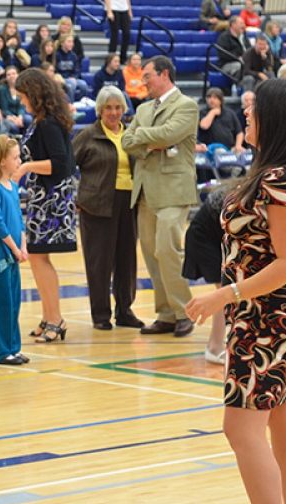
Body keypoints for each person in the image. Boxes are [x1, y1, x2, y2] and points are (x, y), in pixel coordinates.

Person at [185, 77, 286, 504]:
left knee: (241, 429)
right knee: (283, 418)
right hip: (284, 308)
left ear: (276, 118)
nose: (246, 112)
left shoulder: (278, 179)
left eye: (255, 107)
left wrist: (224, 294)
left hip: (266, 313)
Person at [122, 55, 198, 338]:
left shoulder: (186, 105)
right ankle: (166, 315)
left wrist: (145, 135)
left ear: (164, 74)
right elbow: (127, 142)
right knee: (152, 256)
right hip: (145, 191)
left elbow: (169, 134)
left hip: (173, 190)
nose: (144, 82)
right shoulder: (143, 108)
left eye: (147, 76)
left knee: (168, 250)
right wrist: (149, 144)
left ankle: (184, 312)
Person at [11, 69, 77, 343]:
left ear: (34, 93)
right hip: (41, 198)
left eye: (23, 95)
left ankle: (56, 318)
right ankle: (49, 316)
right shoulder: (42, 120)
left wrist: (26, 166)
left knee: (40, 257)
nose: (21, 100)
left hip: (52, 200)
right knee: (37, 258)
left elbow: (61, 163)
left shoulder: (49, 123)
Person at [73, 86, 144, 332]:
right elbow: (68, 165)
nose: (114, 113)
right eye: (108, 108)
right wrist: (78, 195)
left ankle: (125, 311)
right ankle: (101, 314)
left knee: (127, 260)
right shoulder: (87, 135)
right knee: (99, 262)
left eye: (118, 108)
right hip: (96, 205)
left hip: (128, 203)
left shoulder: (131, 134)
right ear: (99, 110)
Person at [0, 134, 29, 365]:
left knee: (14, 303)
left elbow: (19, 220)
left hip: (14, 254)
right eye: (15, 157)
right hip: (1, 256)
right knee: (1, 304)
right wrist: (14, 248)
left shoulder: (13, 186)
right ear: (2, 160)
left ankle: (13, 347)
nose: (19, 161)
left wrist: (23, 246)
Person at [182, 187, 228, 364]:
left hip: (216, 236)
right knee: (224, 290)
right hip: (204, 238)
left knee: (227, 290)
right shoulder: (252, 193)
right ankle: (215, 347)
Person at [198, 87, 245, 155]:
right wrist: (213, 112)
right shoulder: (202, 112)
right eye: (209, 97)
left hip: (230, 148)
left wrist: (238, 145)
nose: (211, 100)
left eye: (215, 98)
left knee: (246, 154)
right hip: (210, 149)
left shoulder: (230, 113)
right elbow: (204, 126)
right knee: (221, 151)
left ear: (220, 100)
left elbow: (239, 132)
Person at [216, 17, 250, 84]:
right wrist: (237, 58)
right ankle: (238, 86)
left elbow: (249, 48)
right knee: (241, 66)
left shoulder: (244, 37)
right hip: (228, 64)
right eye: (241, 23)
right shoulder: (224, 37)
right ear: (233, 25)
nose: (243, 25)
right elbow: (224, 54)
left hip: (244, 62)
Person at [55, 34, 87, 100]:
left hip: (72, 78)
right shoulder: (56, 55)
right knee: (72, 85)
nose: (72, 44)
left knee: (84, 85)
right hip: (61, 78)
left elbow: (77, 70)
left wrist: (74, 77)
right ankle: (70, 104)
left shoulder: (73, 55)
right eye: (69, 41)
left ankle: (81, 102)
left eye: (72, 42)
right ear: (62, 43)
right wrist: (67, 78)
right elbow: (55, 71)